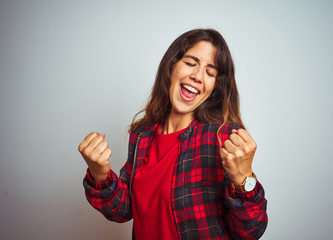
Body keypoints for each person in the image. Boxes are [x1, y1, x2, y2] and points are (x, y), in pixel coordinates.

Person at [78, 29, 268, 240]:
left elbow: (251, 231)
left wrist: (244, 180)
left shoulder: (222, 138)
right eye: (190, 63)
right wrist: (99, 175)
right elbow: (124, 210)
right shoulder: (142, 136)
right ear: (171, 67)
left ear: (214, 87)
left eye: (210, 72)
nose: (197, 76)